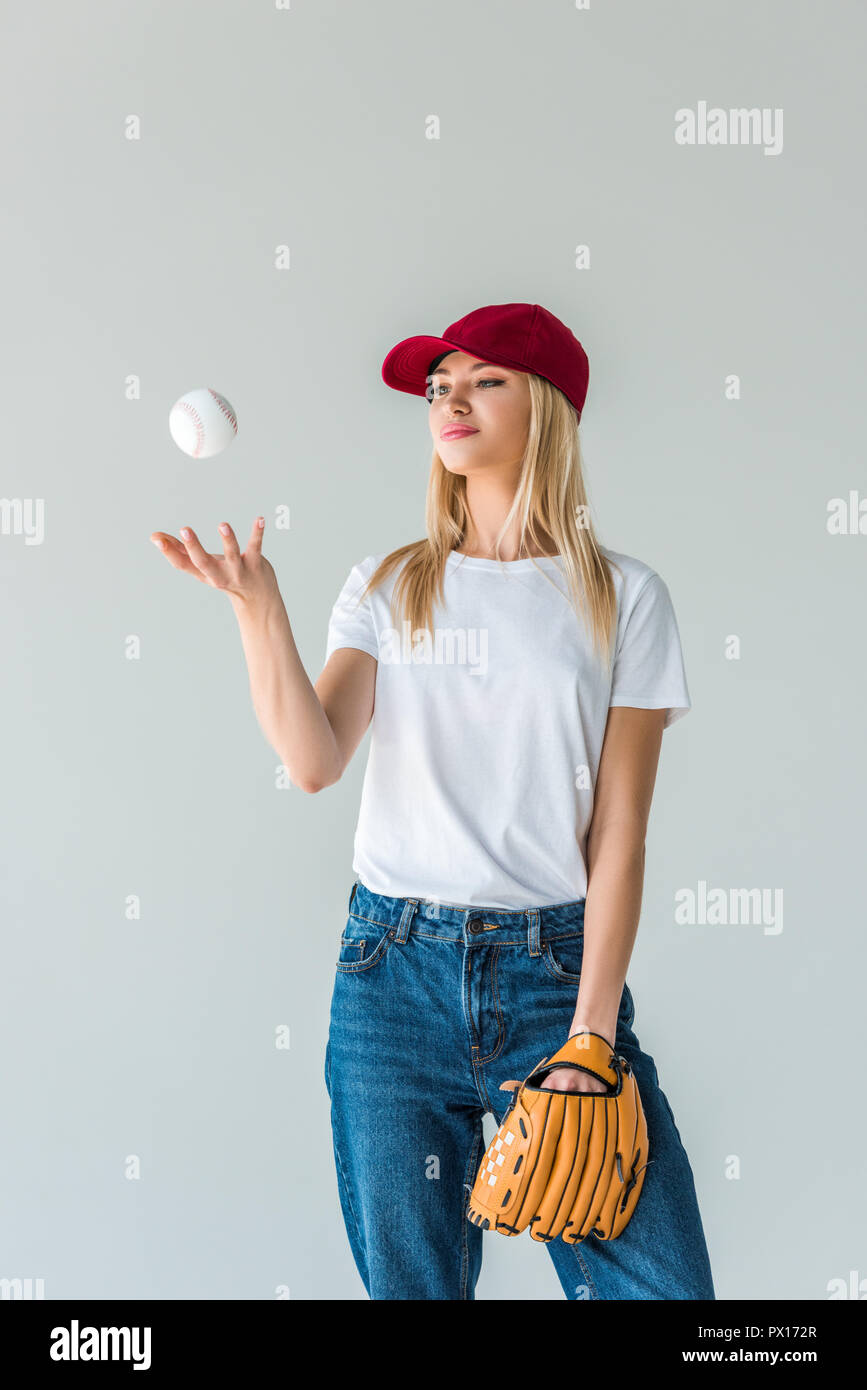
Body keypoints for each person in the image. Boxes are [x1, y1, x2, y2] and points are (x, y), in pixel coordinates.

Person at [150, 301, 716, 1302]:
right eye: (438, 386)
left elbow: (620, 837)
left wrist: (590, 1038)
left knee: (665, 1295)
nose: (450, 398)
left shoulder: (626, 597)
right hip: (390, 976)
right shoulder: (389, 581)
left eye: (482, 380)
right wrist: (259, 609)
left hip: (555, 977)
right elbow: (315, 758)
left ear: (546, 408)